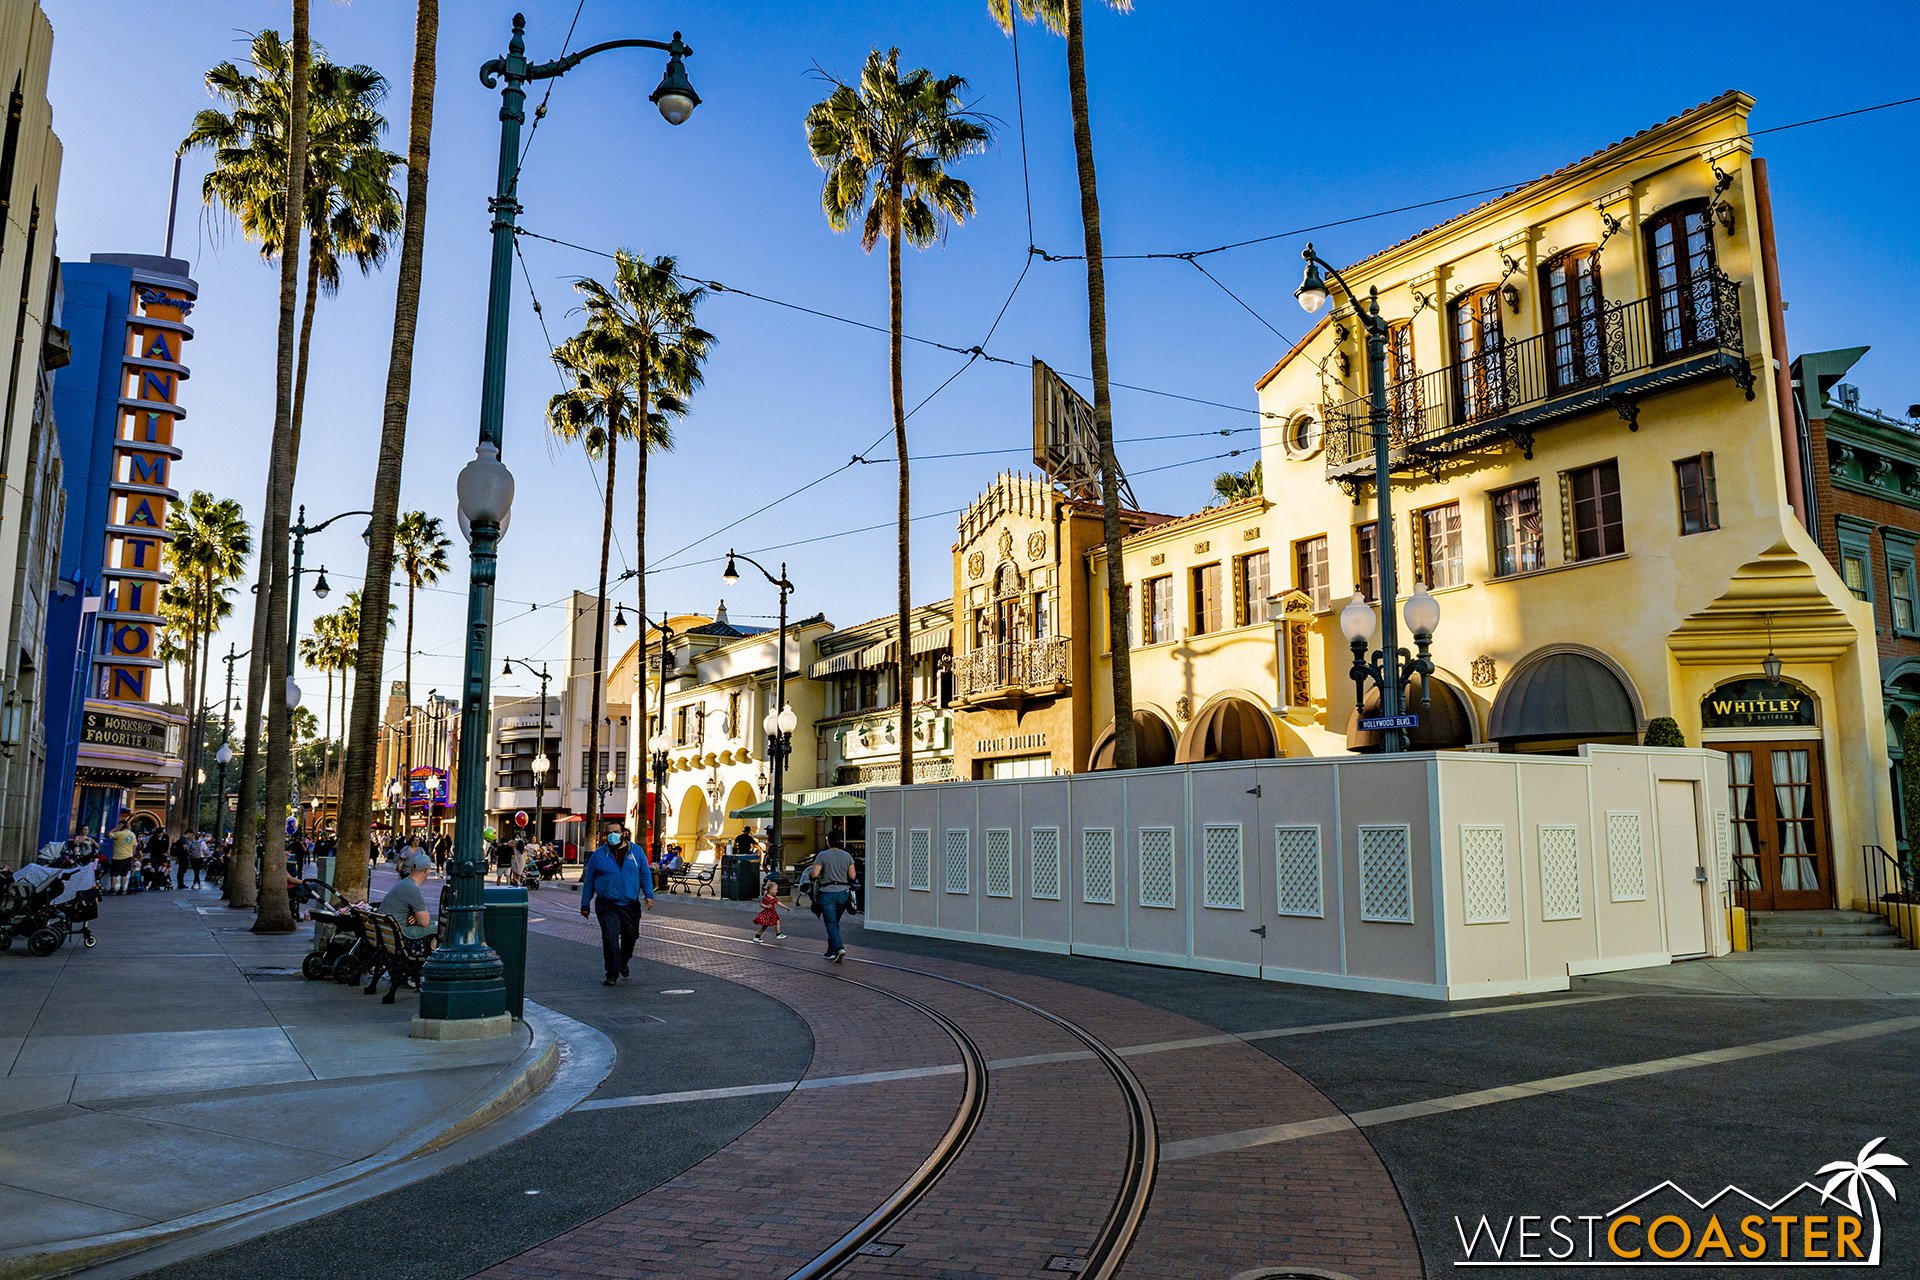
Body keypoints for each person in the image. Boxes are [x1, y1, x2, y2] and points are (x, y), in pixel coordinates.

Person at [579, 824, 652, 987]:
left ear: (624, 833)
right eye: (609, 833)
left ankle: (623, 962)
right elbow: (589, 880)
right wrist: (585, 904)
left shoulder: (637, 852)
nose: (612, 835)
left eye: (616, 832)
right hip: (607, 905)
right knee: (610, 938)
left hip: (629, 904)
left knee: (630, 937)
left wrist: (649, 895)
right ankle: (611, 973)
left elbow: (645, 874)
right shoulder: (598, 855)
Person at [806, 839, 858, 962]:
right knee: (835, 923)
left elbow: (814, 874)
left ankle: (839, 948)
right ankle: (831, 952)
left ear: (829, 841)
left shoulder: (822, 855)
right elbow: (852, 876)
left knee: (830, 923)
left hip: (827, 893)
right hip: (843, 893)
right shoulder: (847, 856)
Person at [379, 851, 433, 929]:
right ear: (426, 870)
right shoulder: (412, 888)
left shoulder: (403, 883)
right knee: (433, 928)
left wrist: (416, 916)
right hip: (396, 931)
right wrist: (419, 917)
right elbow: (425, 922)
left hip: (385, 928)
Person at [106, 819, 136, 894]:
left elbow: (109, 834)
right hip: (129, 856)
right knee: (124, 874)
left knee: (114, 874)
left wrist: (116, 828)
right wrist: (132, 854)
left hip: (118, 856)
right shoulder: (132, 834)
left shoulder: (119, 833)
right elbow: (134, 845)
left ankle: (113, 888)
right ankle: (122, 889)